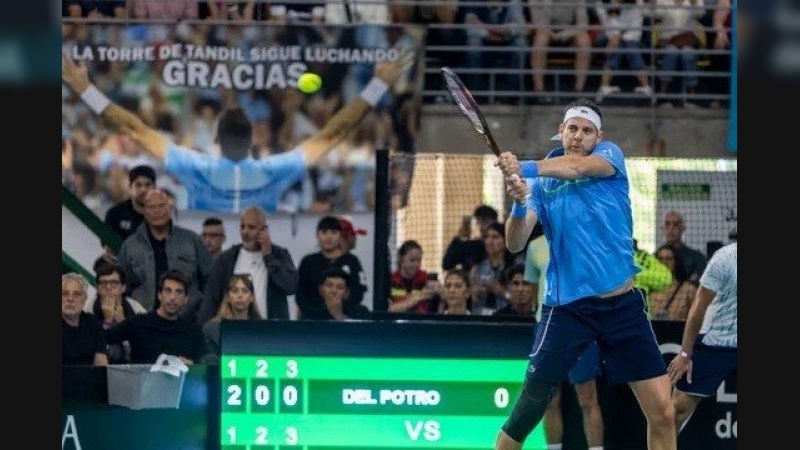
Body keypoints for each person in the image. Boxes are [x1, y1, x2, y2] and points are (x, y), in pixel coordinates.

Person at [493, 98, 676, 450]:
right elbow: (515, 242)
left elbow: (576, 167)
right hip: (567, 311)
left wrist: (524, 167)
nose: (578, 136)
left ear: (598, 136)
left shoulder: (609, 156)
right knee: (524, 416)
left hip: (622, 307)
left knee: (663, 412)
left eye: (586, 130)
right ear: (560, 132)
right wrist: (518, 202)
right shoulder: (544, 181)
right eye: (572, 128)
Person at [62, 51, 414, 213]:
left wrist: (84, 89)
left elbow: (133, 129)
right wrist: (378, 84)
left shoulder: (194, 165)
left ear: (215, 139)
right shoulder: (274, 170)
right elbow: (334, 132)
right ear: (253, 142)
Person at [523, 221, 605, 450]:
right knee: (549, 399)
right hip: (547, 330)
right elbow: (532, 292)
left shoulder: (588, 243)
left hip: (582, 329)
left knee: (588, 399)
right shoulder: (535, 247)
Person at [667, 241, 736, 434]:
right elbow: (699, 306)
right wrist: (685, 354)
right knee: (677, 410)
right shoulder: (725, 258)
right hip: (713, 343)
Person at [115, 188, 213, 321]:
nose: (156, 211)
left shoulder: (191, 240)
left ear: (170, 208)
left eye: (161, 206)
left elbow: (210, 280)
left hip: (188, 321)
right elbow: (119, 285)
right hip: (144, 321)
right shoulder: (130, 246)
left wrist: (202, 313)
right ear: (144, 211)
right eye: (151, 207)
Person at [197, 206, 298, 324]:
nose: (245, 231)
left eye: (251, 227)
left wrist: (268, 257)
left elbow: (290, 287)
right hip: (233, 331)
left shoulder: (280, 255)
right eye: (242, 227)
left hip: (271, 332)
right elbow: (211, 298)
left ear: (264, 230)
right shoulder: (227, 258)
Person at [106, 269, 206, 365]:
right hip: (143, 381)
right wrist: (109, 320)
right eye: (168, 291)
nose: (172, 297)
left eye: (178, 292)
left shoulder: (193, 332)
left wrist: (193, 366)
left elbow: (205, 364)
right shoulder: (139, 322)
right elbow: (104, 338)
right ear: (159, 295)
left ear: (185, 299)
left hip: (180, 381)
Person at [296, 215, 368, 319]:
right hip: (312, 320)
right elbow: (300, 294)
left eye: (334, 233)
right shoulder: (308, 261)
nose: (328, 237)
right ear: (317, 235)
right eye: (324, 232)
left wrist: (341, 311)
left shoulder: (352, 261)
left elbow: (359, 292)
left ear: (340, 236)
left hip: (344, 319)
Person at [201, 274, 263, 364]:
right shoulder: (212, 328)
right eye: (235, 291)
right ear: (228, 297)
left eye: (245, 291)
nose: (240, 295)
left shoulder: (262, 328)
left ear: (252, 298)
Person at [62, 272, 108, 366]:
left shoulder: (92, 322)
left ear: (85, 299)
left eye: (77, 294)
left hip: (88, 378)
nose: (70, 299)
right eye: (65, 294)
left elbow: (101, 364)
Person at [103, 164, 156, 244]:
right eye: (138, 185)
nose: (143, 190)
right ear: (130, 188)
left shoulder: (162, 215)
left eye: (148, 185)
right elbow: (108, 246)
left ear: (155, 188)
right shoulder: (115, 214)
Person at [388, 239, 441, 314]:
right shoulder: (390, 281)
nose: (416, 264)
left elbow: (442, 303)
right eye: (412, 260)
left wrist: (441, 292)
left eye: (419, 260)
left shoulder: (427, 280)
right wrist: (419, 297)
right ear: (401, 258)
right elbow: (388, 310)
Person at [442, 204, 499, 272]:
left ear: (494, 222)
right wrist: (459, 238)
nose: (481, 225)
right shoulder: (470, 246)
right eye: (478, 221)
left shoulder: (502, 245)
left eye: (485, 221)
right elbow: (447, 265)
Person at [660, 209, 707, 283]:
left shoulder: (697, 258)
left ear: (683, 228)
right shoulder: (655, 257)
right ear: (663, 228)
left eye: (676, 225)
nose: (671, 228)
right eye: (667, 224)